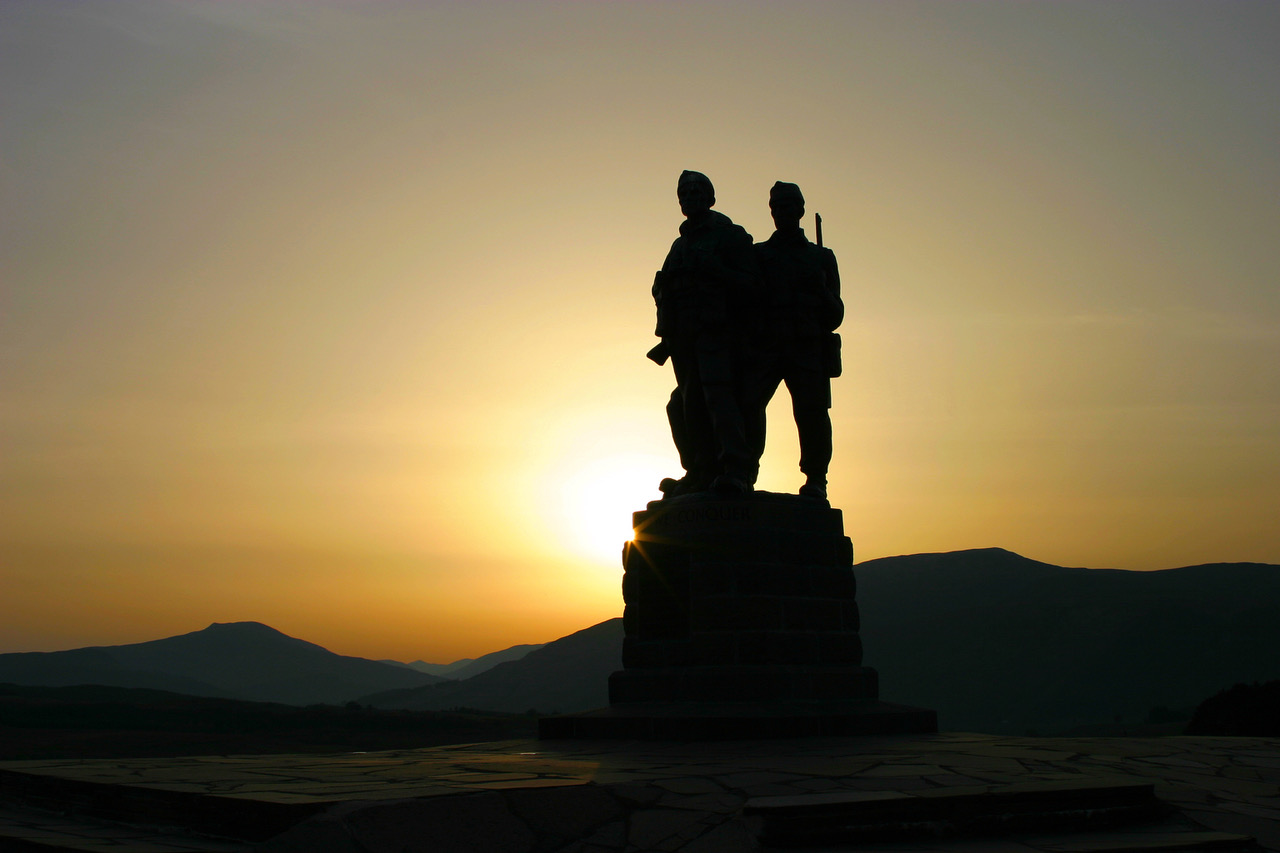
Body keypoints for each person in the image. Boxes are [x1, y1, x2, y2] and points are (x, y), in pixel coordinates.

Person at [652, 170, 760, 496]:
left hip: (719, 334)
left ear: (710, 198)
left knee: (719, 398)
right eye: (683, 193)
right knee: (685, 405)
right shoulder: (679, 246)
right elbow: (666, 287)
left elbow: (753, 285)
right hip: (684, 338)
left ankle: (735, 470)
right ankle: (699, 471)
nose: (689, 197)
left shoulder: (729, 237)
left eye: (696, 191)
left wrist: (718, 272)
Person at [748, 181, 843, 499]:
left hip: (807, 348)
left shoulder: (822, 258)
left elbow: (836, 314)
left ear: (800, 210)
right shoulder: (759, 255)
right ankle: (744, 471)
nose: (782, 213)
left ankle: (816, 477)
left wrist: (821, 293)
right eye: (777, 208)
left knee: (812, 413)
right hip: (767, 347)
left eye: (788, 207)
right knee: (748, 405)